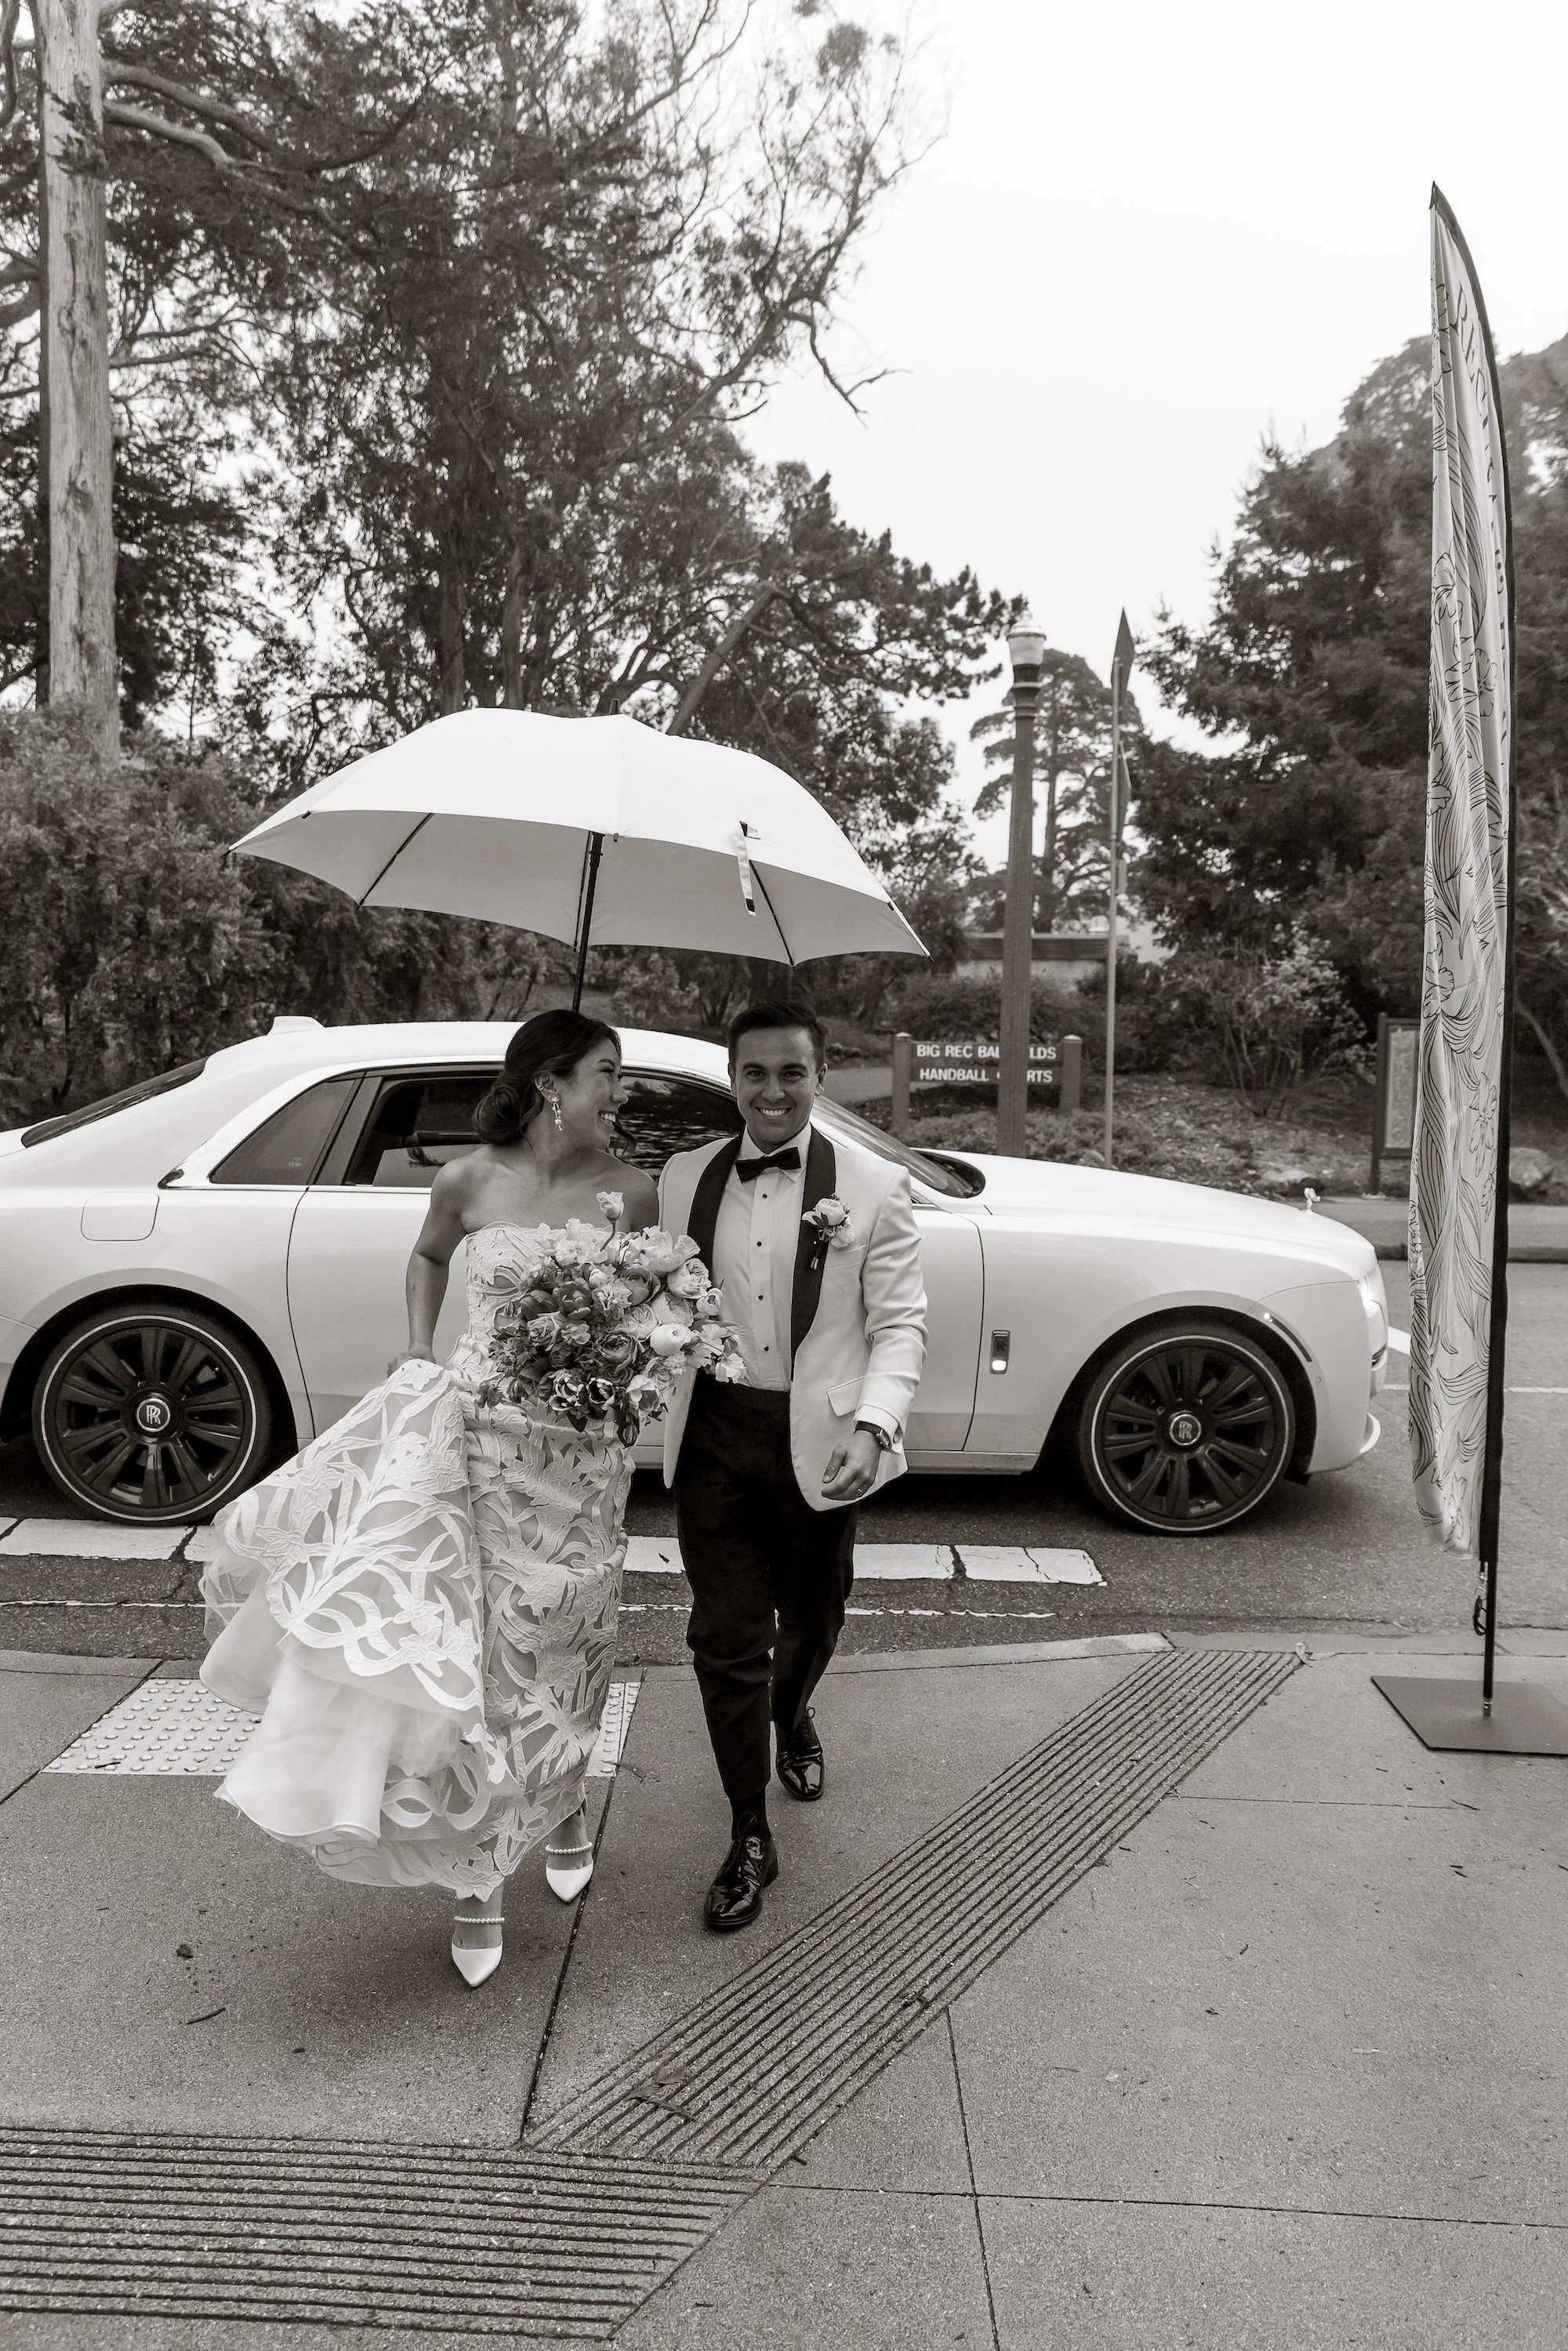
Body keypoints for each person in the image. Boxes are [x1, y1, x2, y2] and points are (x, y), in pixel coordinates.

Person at [200, 1010, 659, 1987]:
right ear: (551, 1083)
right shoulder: (466, 1178)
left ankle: (566, 1797)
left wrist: (627, 1359)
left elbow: (645, 1306)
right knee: (486, 1659)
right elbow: (428, 1256)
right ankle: (476, 1873)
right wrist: (418, 1343)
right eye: (605, 1072)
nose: (618, 1092)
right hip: (481, 1444)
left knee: (570, 1641)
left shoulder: (630, 1190)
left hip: (583, 1461)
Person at [659, 1001, 927, 1932]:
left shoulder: (875, 1185)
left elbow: (900, 1324)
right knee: (724, 1634)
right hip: (714, 1433)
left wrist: (875, 1426)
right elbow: (662, 1298)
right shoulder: (682, 1175)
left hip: (822, 1439)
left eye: (790, 1072)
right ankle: (747, 1830)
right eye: (754, 1072)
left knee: (812, 1618)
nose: (771, 1090)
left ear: (820, 1076)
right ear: (731, 1078)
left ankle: (794, 1708)